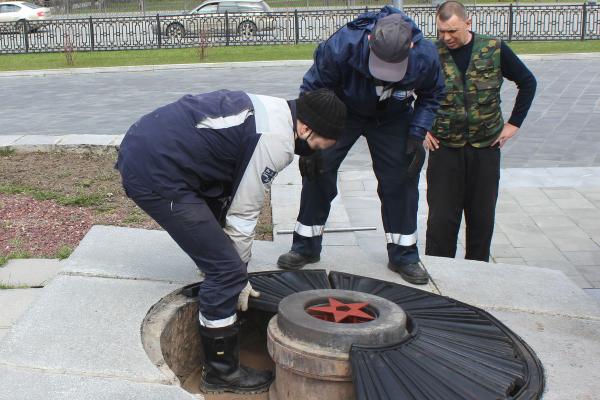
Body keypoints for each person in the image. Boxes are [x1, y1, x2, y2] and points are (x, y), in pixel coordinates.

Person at [116, 88, 346, 394]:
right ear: (305, 128)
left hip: (152, 145)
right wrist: (237, 276)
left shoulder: (278, 110)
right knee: (227, 270)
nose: (317, 151)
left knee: (219, 252)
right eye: (318, 144)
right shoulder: (275, 141)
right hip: (156, 170)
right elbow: (243, 215)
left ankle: (218, 286)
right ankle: (221, 370)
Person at [276, 6, 445, 285]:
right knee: (318, 168)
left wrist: (416, 134)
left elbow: (432, 93)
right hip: (344, 111)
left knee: (401, 177)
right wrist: (309, 143)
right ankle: (305, 246)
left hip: (393, 116)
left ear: (411, 46)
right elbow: (314, 90)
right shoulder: (342, 45)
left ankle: (404, 255)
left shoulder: (425, 56)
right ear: (369, 41)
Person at [424, 1, 537, 262]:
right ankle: (441, 278)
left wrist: (514, 124)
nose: (446, 37)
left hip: (485, 148)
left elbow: (528, 82)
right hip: (444, 149)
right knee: (441, 221)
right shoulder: (430, 53)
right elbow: (409, 91)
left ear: (468, 23)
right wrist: (420, 128)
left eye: (452, 31)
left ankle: (478, 278)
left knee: (481, 219)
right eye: (441, 31)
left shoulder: (493, 49)